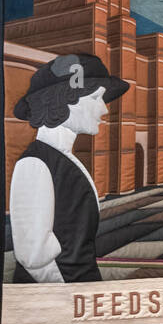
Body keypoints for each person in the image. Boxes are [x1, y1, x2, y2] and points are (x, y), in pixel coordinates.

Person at [9, 54, 129, 283]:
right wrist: (73, 300)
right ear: (64, 100)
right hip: (55, 303)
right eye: (96, 98)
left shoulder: (60, 158)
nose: (104, 109)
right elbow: (34, 258)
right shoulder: (34, 164)